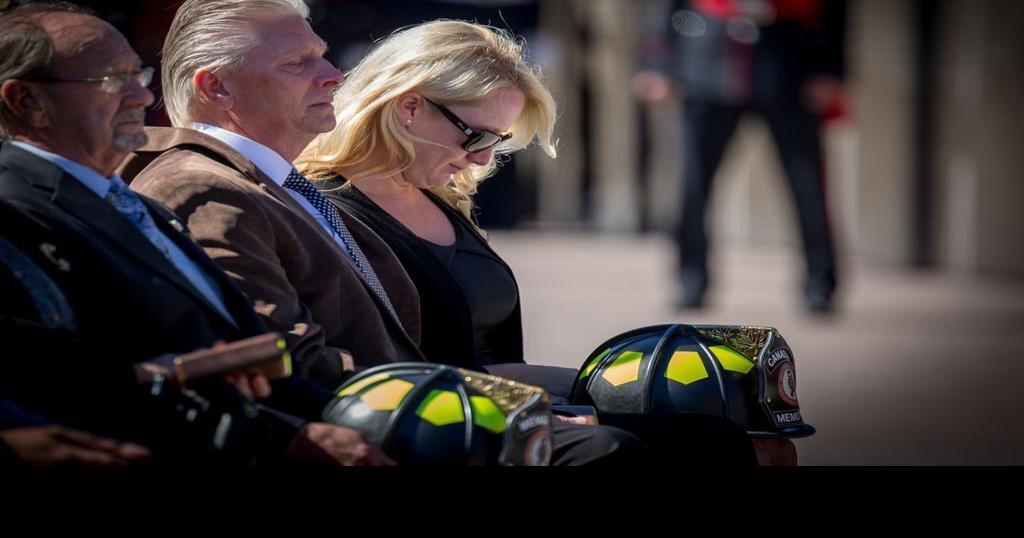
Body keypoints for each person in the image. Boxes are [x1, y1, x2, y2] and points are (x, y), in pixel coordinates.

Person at [124, 0, 644, 466]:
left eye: (322, 54)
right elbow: (291, 363)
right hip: (374, 426)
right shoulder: (206, 188)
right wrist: (506, 411)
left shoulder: (273, 182)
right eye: (296, 63)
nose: (332, 74)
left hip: (406, 404)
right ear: (216, 87)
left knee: (666, 398)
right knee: (618, 442)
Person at [297, 20, 762, 466]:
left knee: (728, 429)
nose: (481, 157)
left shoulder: (439, 192)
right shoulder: (315, 207)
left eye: (497, 141)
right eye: (474, 135)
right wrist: (563, 394)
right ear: (409, 107)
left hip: (504, 408)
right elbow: (368, 365)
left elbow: (495, 358)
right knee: (618, 448)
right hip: (436, 425)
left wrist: (592, 385)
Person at [0, 1, 391, 466]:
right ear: (26, 102)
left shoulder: (134, 205)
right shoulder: (16, 209)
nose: (143, 99)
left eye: (137, 76)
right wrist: (289, 438)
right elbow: (61, 381)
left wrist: (335, 421)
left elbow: (236, 354)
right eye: (110, 82)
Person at [633, 0, 845, 312]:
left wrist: (830, 69)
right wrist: (657, 65)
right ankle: (691, 279)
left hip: (788, 62)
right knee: (693, 186)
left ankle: (820, 283)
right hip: (709, 59)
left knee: (807, 185)